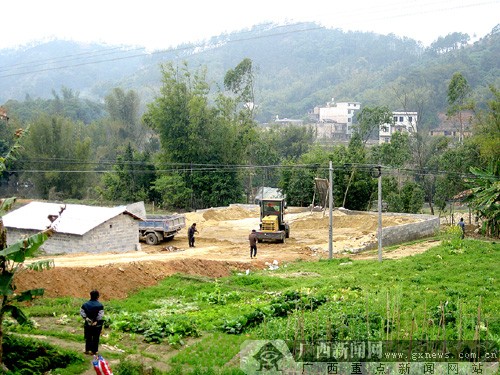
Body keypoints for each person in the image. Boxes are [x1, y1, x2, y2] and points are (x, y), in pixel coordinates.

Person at [80, 290, 104, 355]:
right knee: (96, 337)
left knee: (88, 337)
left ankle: (87, 350)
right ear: (98, 296)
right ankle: (94, 351)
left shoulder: (85, 304)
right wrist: (96, 321)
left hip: (88, 324)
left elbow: (82, 312)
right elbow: (100, 315)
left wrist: (87, 319)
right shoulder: (100, 305)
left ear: (90, 295)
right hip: (97, 325)